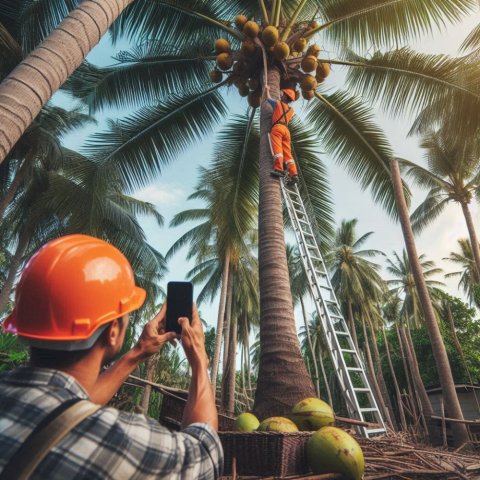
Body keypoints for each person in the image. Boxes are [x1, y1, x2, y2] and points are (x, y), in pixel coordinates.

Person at [0, 234, 223, 479]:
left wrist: (138, 352)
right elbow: (205, 453)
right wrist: (199, 358)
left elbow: (67, 408)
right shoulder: (118, 441)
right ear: (114, 332)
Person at [265, 86, 298, 185]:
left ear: (285, 97)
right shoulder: (292, 110)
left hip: (278, 128)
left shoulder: (278, 103)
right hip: (286, 131)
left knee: (278, 149)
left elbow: (268, 99)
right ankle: (294, 174)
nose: (281, 95)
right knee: (288, 153)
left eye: (283, 95)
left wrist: (267, 89)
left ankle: (279, 169)